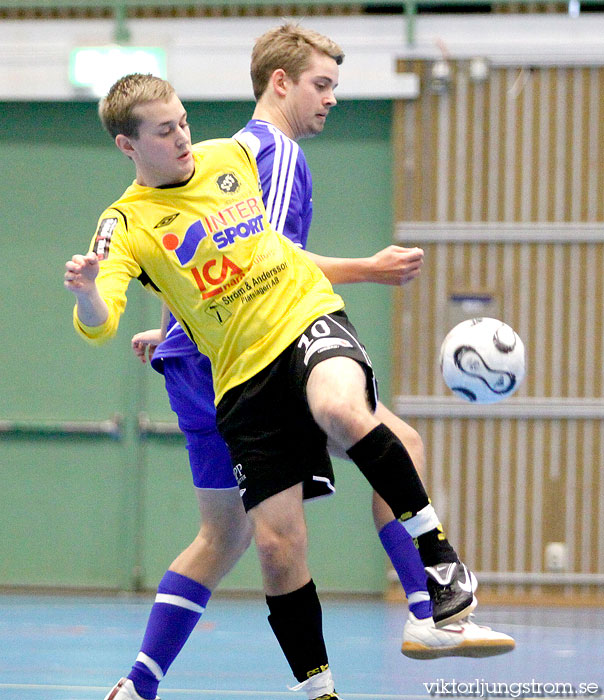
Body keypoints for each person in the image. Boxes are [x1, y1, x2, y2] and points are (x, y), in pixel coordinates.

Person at [62, 63, 505, 700]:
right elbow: (101, 322)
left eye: (184, 120)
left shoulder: (230, 155)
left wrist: (360, 269)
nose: (184, 137)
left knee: (345, 410)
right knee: (273, 544)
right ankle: (314, 690)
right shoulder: (125, 225)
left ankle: (437, 565)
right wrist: (87, 296)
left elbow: (274, 249)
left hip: (305, 317)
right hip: (240, 376)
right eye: (165, 131)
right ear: (128, 146)